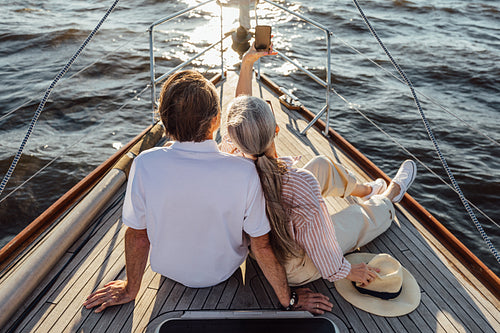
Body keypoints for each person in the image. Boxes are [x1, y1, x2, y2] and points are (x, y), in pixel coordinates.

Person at [83, 70, 332, 314]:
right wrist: (288, 299)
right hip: (224, 271)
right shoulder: (244, 172)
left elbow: (137, 236)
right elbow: (261, 246)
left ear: (165, 121)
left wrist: (130, 289)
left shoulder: (145, 164)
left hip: (169, 271)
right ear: (216, 121)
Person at [219, 45, 417, 300]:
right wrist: (345, 270)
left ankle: (368, 189)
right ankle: (388, 198)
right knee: (360, 217)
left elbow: (241, 112)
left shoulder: (230, 152)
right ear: (277, 131)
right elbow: (320, 243)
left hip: (267, 249)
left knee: (322, 164)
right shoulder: (300, 184)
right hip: (295, 266)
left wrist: (247, 64)